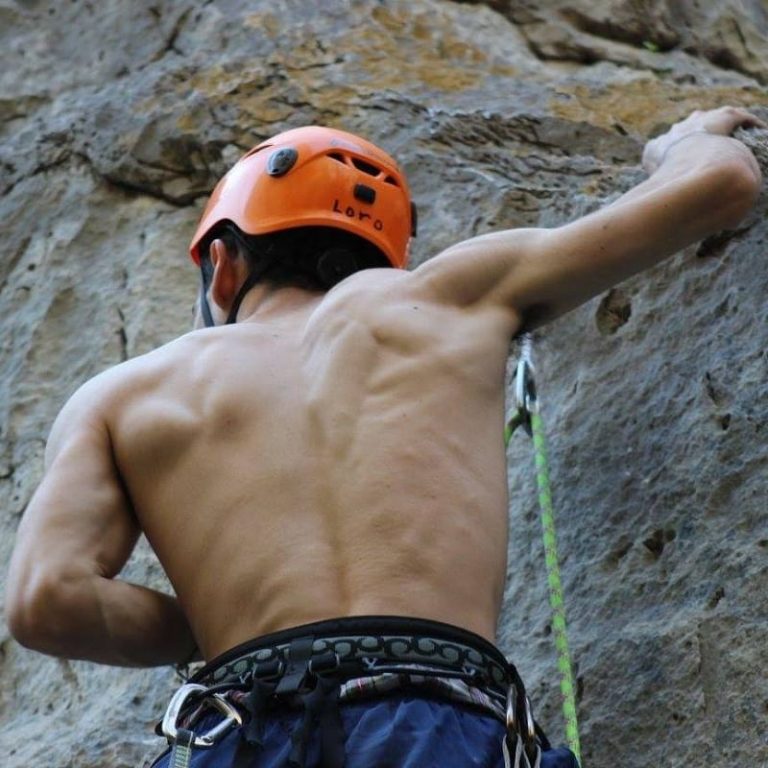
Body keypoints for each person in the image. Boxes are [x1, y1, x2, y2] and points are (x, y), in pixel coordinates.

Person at [5, 107, 764, 768]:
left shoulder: (122, 393)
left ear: (224, 265)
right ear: (384, 252)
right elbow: (722, 185)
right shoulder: (451, 295)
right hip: (439, 722)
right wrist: (686, 141)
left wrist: (207, 630)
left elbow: (45, 600)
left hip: (237, 730)